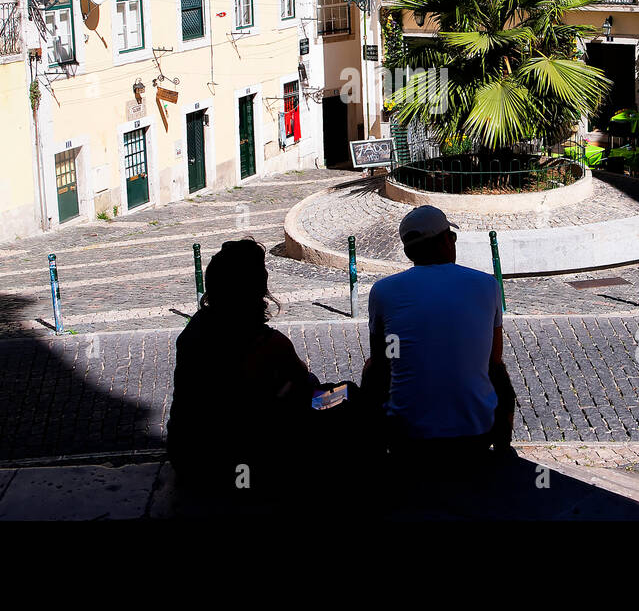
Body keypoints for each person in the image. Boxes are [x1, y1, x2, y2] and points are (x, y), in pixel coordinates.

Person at [166, 238, 362, 504]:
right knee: (346, 393)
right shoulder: (271, 344)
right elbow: (305, 391)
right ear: (258, 291)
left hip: (191, 457)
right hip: (247, 459)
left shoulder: (193, 332)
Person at [364, 206, 517, 472]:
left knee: (372, 369)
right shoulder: (487, 285)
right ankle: (504, 450)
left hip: (408, 438)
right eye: (452, 237)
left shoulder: (384, 291)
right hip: (475, 435)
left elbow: (384, 359)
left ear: (408, 251)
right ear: (447, 241)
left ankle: (374, 452)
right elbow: (494, 360)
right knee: (499, 373)